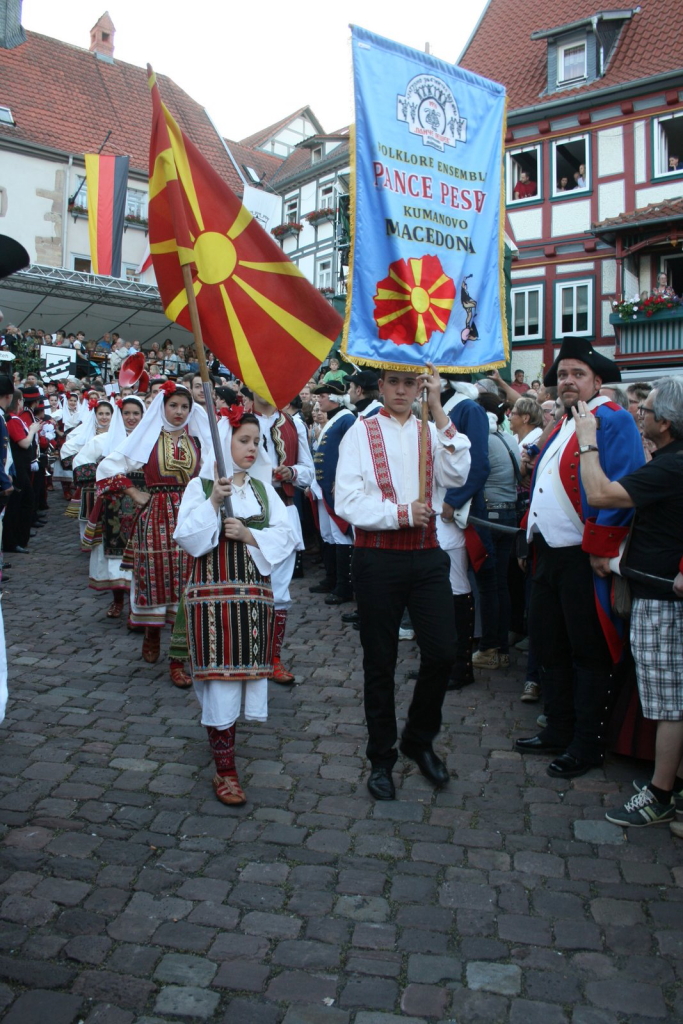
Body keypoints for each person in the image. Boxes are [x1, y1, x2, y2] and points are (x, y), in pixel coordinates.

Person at [335, 366, 471, 800]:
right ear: (381, 386)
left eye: (409, 383)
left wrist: (438, 410)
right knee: (380, 662)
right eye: (393, 382)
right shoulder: (360, 432)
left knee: (443, 652)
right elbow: (346, 501)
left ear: (420, 388)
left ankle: (418, 738)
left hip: (427, 556)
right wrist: (399, 513)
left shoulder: (431, 430)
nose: (400, 390)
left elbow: (458, 476)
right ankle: (381, 758)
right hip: (377, 558)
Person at [515, 337, 644, 779]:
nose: (568, 381)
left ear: (597, 381)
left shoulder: (614, 419)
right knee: (550, 646)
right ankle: (558, 729)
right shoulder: (561, 424)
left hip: (583, 557)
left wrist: (603, 547)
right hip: (548, 555)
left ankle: (587, 744)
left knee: (589, 652)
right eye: (564, 374)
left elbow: (623, 485)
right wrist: (527, 535)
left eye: (578, 374)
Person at [572, 377, 683, 832]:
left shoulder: (672, 465)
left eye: (646, 410)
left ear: (666, 422)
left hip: (662, 599)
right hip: (658, 591)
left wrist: (587, 442)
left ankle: (660, 794)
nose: (640, 414)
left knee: (668, 704)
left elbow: (600, 493)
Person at [174, 408, 295, 805]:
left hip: (253, 605)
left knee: (244, 678)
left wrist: (249, 534)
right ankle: (225, 769)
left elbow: (287, 534)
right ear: (223, 442)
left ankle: (225, 757)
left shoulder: (262, 489)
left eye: (256, 441)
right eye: (243, 440)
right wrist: (213, 501)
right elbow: (187, 536)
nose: (252, 448)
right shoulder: (200, 486)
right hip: (213, 604)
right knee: (220, 685)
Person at [96, 383, 212, 682]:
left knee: (187, 581)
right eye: (173, 405)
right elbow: (108, 467)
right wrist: (134, 492)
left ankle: (178, 657)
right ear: (162, 407)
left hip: (190, 514)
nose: (179, 412)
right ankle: (151, 631)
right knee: (155, 576)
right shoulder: (148, 438)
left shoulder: (198, 440)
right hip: (156, 515)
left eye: (184, 407)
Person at [251, 390, 315, 683]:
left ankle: (273, 658)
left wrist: (291, 472)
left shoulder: (293, 424)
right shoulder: (235, 421)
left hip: (283, 510)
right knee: (246, 586)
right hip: (247, 512)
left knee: (278, 590)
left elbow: (309, 472)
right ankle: (245, 653)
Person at [82, 397, 145, 618]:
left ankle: (136, 605)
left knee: (140, 555)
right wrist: (103, 474)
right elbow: (82, 464)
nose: (131, 418)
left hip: (142, 504)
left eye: (136, 413)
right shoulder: (104, 440)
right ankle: (117, 600)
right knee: (113, 557)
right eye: (126, 413)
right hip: (113, 506)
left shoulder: (151, 440)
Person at [310, 380, 356, 607]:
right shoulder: (335, 419)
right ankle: (331, 578)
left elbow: (351, 453)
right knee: (328, 535)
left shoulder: (347, 419)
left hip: (336, 487)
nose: (319, 400)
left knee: (340, 536)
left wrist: (341, 480)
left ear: (335, 398)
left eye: (323, 396)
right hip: (324, 486)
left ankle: (344, 586)